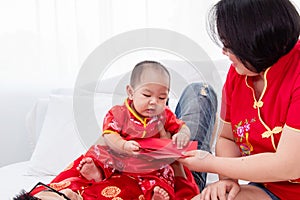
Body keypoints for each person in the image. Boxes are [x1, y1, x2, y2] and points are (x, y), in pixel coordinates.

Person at [26, 60, 202, 200]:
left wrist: (182, 134)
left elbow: (181, 126)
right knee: (100, 156)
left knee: (163, 175)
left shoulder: (164, 114)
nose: (154, 102)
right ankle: (98, 174)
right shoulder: (119, 113)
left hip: (150, 162)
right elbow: (109, 136)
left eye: (162, 97)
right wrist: (123, 145)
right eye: (147, 95)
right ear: (131, 92)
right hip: (120, 156)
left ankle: (155, 194)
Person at [179, 0, 300, 199]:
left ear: (256, 42)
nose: (224, 52)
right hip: (269, 188)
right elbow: (227, 137)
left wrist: (210, 163)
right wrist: (227, 179)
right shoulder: (238, 72)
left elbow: (290, 165)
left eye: (229, 45)